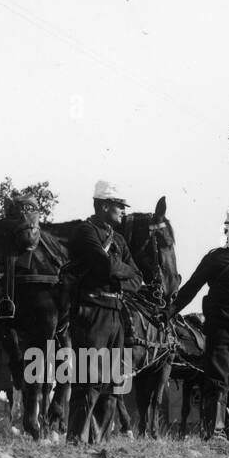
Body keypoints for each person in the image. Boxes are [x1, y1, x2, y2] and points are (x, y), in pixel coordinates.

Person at [166, 204, 229, 440]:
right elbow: (191, 288)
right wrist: (169, 312)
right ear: (226, 230)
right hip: (221, 329)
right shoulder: (214, 259)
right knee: (217, 380)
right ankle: (215, 431)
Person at [62, 180, 143, 440]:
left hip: (115, 312)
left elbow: (137, 279)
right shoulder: (85, 232)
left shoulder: (117, 239)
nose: (123, 210)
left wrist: (116, 268)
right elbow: (105, 267)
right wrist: (120, 269)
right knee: (88, 380)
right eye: (119, 205)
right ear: (105, 205)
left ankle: (95, 442)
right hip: (92, 311)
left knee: (113, 386)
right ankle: (76, 440)